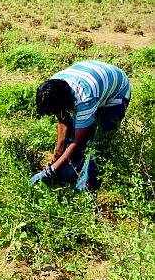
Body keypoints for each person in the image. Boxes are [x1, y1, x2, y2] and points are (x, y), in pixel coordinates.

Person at [31, 60, 131, 189]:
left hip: (116, 93)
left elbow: (78, 142)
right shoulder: (53, 87)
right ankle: (67, 176)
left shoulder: (85, 98)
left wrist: (50, 171)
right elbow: (63, 120)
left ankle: (87, 187)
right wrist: (57, 153)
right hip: (95, 79)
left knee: (98, 144)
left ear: (66, 102)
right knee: (71, 146)